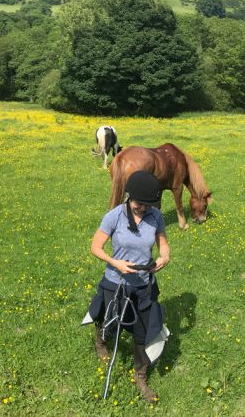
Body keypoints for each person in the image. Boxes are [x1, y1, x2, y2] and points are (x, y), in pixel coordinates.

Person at [83, 170, 171, 402]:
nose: (143, 208)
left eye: (148, 205)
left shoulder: (155, 216)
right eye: (139, 204)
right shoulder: (114, 217)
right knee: (107, 317)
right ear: (129, 196)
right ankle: (101, 342)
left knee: (143, 330)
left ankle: (140, 376)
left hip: (143, 283)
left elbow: (163, 243)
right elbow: (96, 247)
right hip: (115, 280)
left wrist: (164, 256)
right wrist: (115, 263)